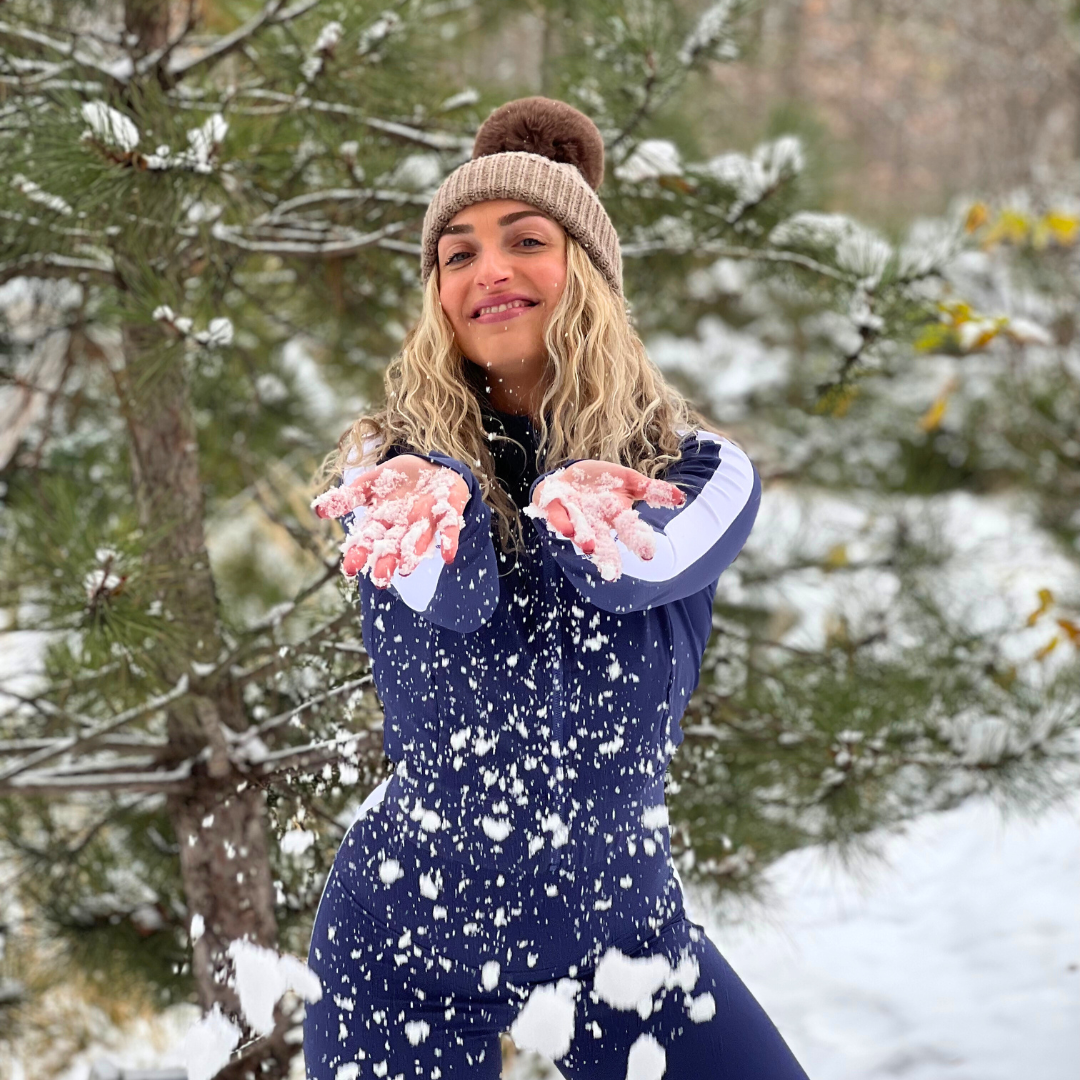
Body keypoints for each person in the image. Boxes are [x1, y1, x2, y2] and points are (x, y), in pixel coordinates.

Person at [303, 97, 809, 1080]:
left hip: (618, 945)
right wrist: (443, 486)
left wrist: (578, 491)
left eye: (525, 240)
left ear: (589, 272)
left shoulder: (701, 467)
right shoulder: (382, 467)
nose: (487, 268)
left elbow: (633, 569)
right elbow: (450, 593)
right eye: (456, 253)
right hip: (402, 951)